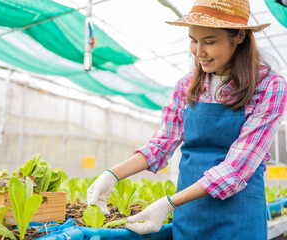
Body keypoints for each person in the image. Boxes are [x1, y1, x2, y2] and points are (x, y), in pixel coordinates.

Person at [87, 0, 287, 239]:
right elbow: (161, 145)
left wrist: (168, 203)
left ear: (239, 37)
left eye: (210, 42)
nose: (199, 52)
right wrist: (112, 174)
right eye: (193, 40)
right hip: (190, 215)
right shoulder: (187, 85)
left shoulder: (268, 86)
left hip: (239, 216)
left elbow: (236, 168)